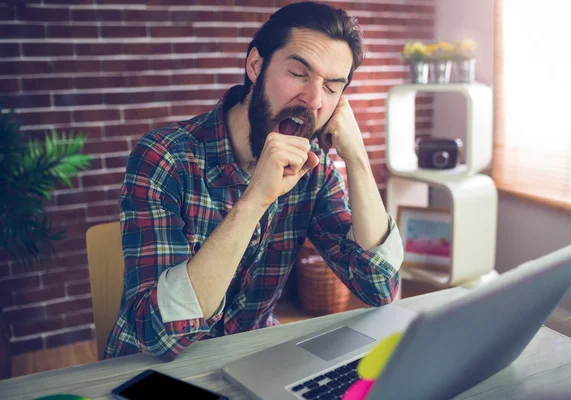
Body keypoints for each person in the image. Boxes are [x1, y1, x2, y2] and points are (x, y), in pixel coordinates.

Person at [105, 1, 404, 362]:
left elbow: (379, 287)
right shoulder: (165, 156)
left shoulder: (315, 167)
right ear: (255, 66)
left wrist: (357, 158)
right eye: (298, 73)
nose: (313, 100)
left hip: (251, 358)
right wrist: (255, 199)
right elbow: (160, 335)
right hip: (147, 371)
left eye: (332, 87)